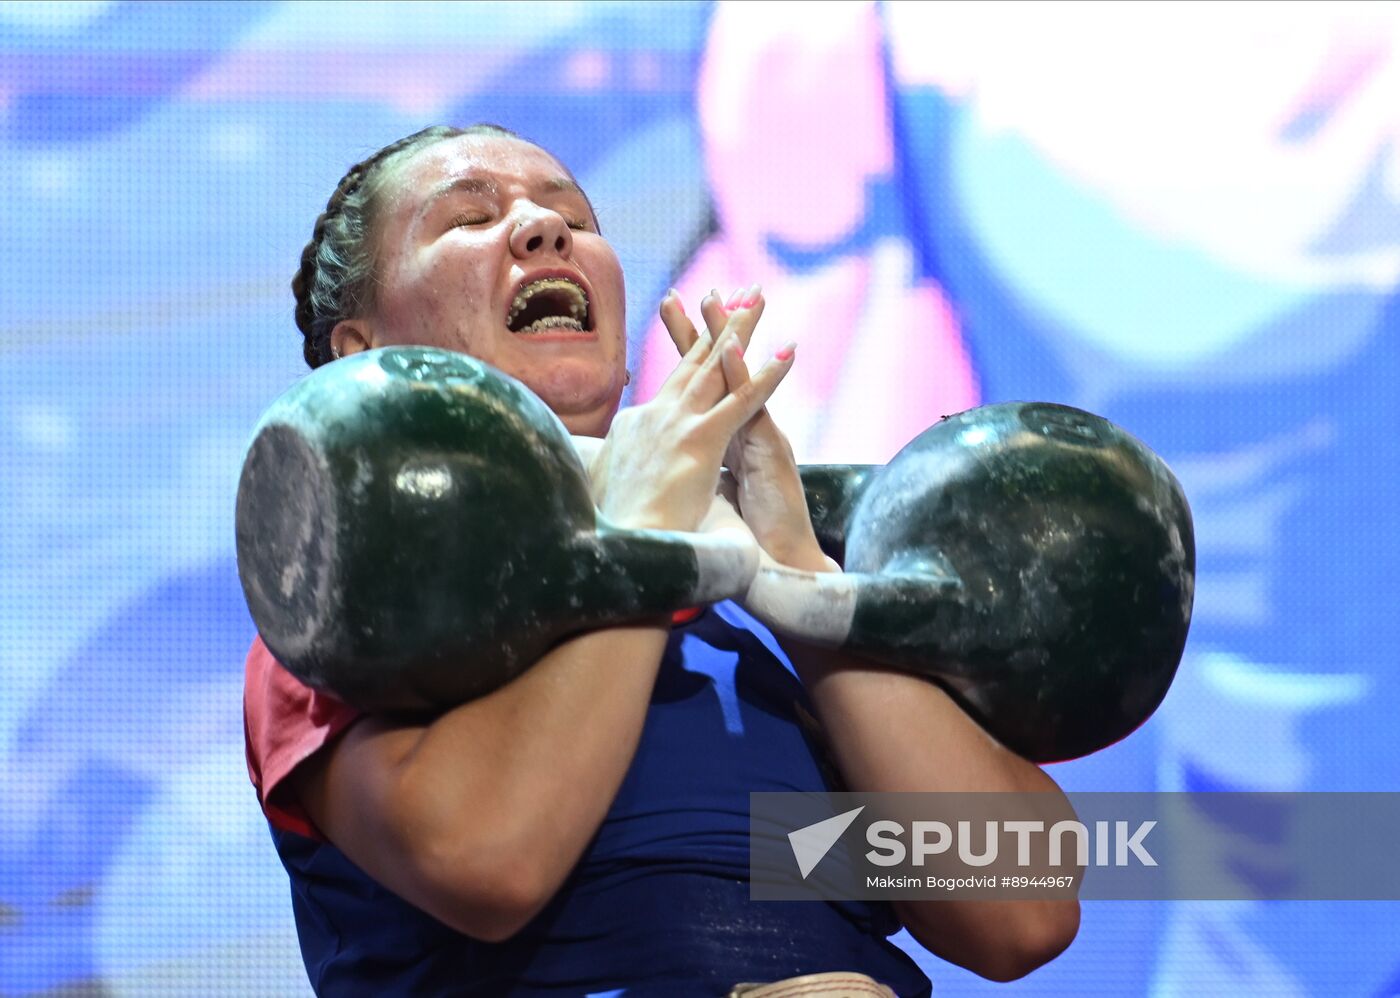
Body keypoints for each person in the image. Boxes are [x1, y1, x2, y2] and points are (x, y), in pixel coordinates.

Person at [243, 124, 1080, 996]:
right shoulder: (349, 609)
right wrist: (649, 541)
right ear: (363, 352)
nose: (543, 228)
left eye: (569, 212)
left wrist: (802, 580)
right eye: (469, 218)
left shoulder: (770, 648)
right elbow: (490, 864)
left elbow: (1022, 910)